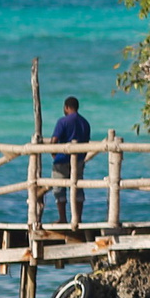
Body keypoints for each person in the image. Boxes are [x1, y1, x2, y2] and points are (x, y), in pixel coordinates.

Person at [47, 97, 91, 226]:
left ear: (66, 107)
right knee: (78, 188)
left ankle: (63, 218)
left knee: (59, 189)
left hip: (62, 159)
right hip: (79, 160)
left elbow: (54, 140)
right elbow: (86, 143)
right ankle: (78, 218)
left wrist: (54, 154)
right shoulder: (85, 123)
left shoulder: (63, 121)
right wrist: (82, 157)